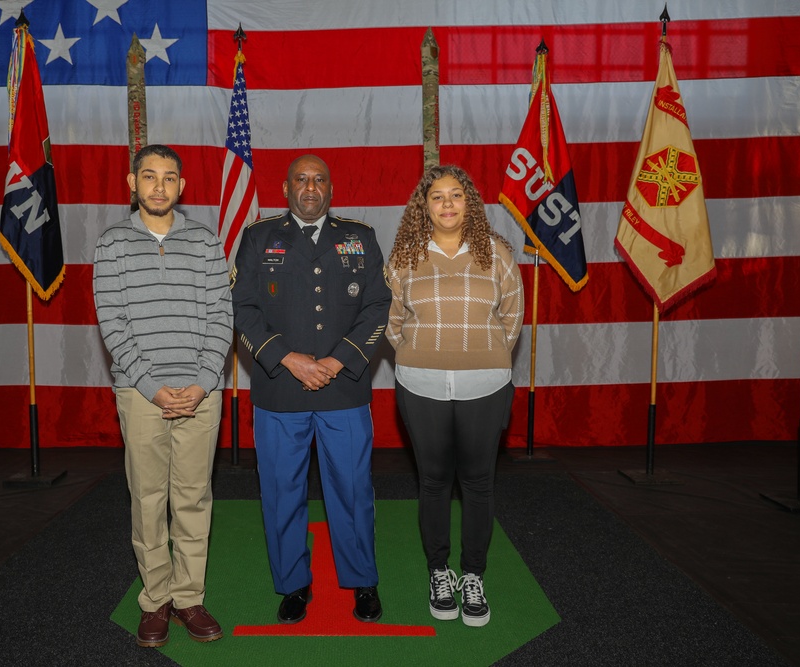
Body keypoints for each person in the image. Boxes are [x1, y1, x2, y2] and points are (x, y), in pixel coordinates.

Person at [230, 154, 391, 624]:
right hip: (281, 389)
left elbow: (378, 306)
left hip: (343, 388)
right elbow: (241, 307)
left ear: (330, 189)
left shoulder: (359, 237)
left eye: (319, 180)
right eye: (301, 179)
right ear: (286, 188)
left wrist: (339, 360)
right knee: (282, 490)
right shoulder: (259, 238)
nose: (310, 187)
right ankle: (293, 584)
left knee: (353, 489)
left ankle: (363, 581)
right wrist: (288, 358)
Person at [93, 145, 233, 647]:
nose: (159, 186)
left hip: (202, 392)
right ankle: (156, 601)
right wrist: (152, 388)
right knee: (149, 500)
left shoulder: (206, 242)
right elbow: (113, 324)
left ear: (182, 187)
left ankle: (189, 599)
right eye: (149, 177)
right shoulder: (111, 244)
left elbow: (223, 317)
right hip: (140, 394)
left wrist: (200, 382)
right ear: (132, 184)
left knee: (193, 498)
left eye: (169, 178)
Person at [385, 164, 523, 627]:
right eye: (437, 196)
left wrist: (478, 355)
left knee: (479, 482)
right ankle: (439, 571)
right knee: (434, 480)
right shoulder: (404, 254)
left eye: (456, 195)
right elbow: (393, 322)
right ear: (423, 206)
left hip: (485, 383)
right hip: (420, 383)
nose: (447, 204)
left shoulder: (498, 253)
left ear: (470, 204)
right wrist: (421, 352)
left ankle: (474, 575)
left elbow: (512, 317)